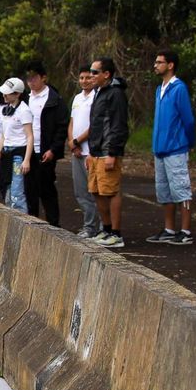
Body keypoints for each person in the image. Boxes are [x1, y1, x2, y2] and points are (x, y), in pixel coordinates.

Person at [145, 49, 196, 245]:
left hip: (176, 147)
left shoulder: (179, 88)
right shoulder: (160, 89)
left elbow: (188, 119)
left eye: (159, 62)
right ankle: (169, 228)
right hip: (161, 148)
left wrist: (189, 141)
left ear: (170, 65)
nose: (155, 65)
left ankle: (185, 230)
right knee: (164, 190)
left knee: (181, 189)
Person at [87, 56, 130, 248]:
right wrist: (91, 150)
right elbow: (95, 124)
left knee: (111, 191)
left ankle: (116, 233)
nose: (91, 75)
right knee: (97, 191)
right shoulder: (99, 92)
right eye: (91, 71)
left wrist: (113, 152)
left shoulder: (116, 94)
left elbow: (118, 125)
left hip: (107, 151)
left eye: (95, 72)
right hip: (96, 151)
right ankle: (105, 229)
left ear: (107, 74)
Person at [21, 62, 70, 226]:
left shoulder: (55, 100)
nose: (31, 82)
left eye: (34, 78)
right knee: (29, 189)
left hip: (45, 151)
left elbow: (62, 127)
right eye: (28, 79)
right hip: (28, 151)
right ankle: (32, 221)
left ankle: (54, 224)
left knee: (46, 188)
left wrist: (53, 150)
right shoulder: (25, 99)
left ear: (43, 78)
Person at [0, 78, 34, 212]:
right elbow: (3, 136)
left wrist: (26, 160)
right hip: (6, 153)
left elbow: (29, 136)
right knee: (7, 191)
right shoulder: (6, 109)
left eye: (7, 93)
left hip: (18, 155)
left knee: (17, 193)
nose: (4, 96)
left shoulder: (24, 111)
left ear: (17, 94)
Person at [68, 65, 101, 238]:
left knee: (95, 191)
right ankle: (89, 226)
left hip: (90, 151)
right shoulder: (77, 98)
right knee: (80, 192)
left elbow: (94, 125)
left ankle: (102, 227)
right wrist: (72, 143)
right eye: (81, 78)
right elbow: (72, 122)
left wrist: (77, 141)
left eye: (88, 78)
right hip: (77, 152)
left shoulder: (97, 97)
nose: (84, 81)